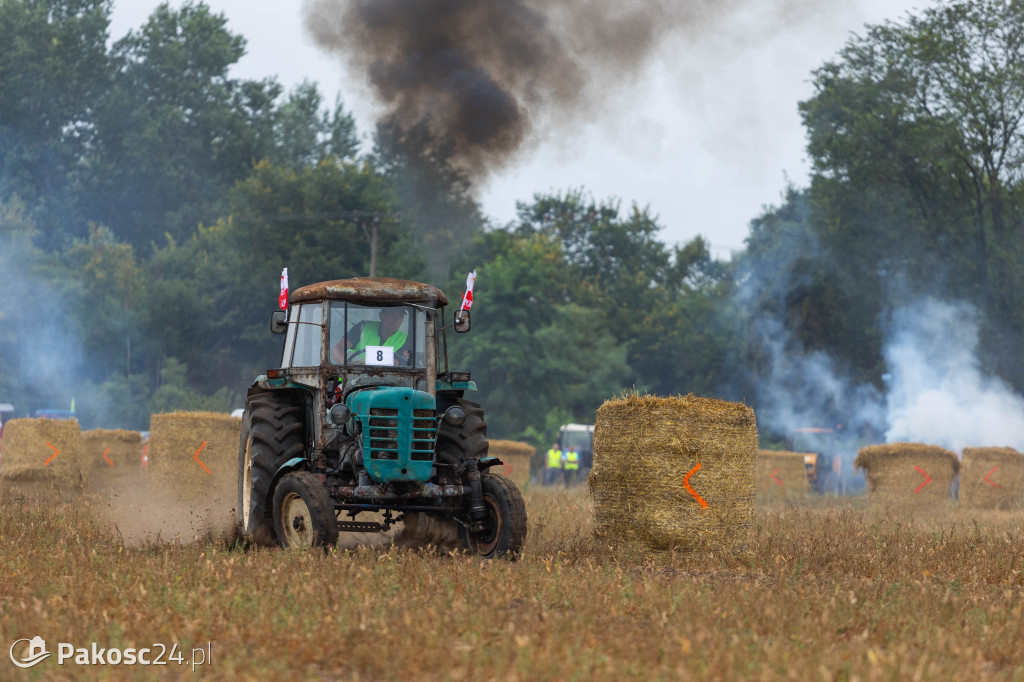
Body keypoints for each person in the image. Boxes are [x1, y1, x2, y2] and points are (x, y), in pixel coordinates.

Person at [331, 307, 411, 366]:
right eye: (392, 315)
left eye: (400, 316)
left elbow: (398, 364)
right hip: (354, 375)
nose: (396, 320)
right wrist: (346, 363)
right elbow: (338, 348)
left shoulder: (405, 340)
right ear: (381, 316)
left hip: (388, 383)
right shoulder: (363, 328)